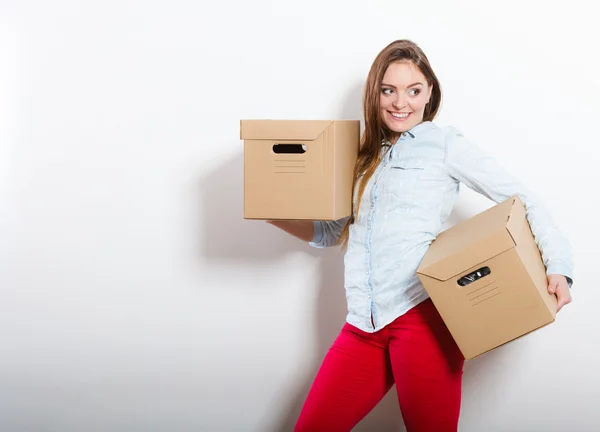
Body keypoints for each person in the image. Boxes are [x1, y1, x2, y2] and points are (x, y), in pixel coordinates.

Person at [266, 39, 574, 432]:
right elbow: (331, 233)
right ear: (375, 93)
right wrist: (275, 217)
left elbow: (523, 199)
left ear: (430, 93)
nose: (400, 103)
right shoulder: (362, 156)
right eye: (388, 90)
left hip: (423, 319)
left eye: (413, 91)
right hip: (364, 325)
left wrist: (558, 266)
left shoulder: (445, 145)